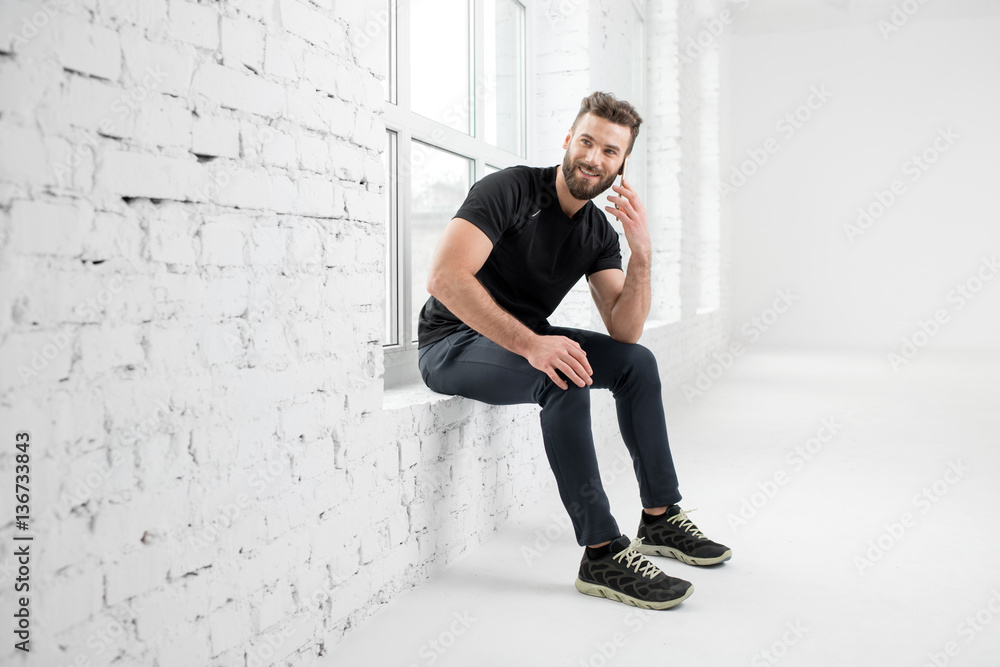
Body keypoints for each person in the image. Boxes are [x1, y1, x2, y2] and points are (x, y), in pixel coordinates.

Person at [417, 91, 731, 610]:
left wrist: (643, 255)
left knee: (637, 364)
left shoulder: (597, 231)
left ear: (622, 163)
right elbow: (445, 277)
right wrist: (532, 343)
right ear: (568, 141)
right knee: (561, 374)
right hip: (451, 342)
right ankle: (602, 553)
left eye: (610, 151)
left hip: (523, 340)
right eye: (586, 142)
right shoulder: (510, 189)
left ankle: (659, 518)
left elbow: (624, 330)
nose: (594, 158)